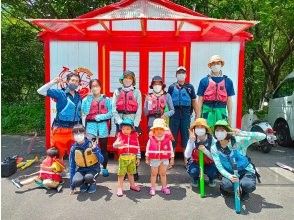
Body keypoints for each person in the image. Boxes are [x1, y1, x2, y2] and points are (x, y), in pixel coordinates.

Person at [210, 120, 266, 201]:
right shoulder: (214, 147)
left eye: (222, 130)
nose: (219, 132)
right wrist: (229, 176)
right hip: (229, 172)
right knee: (227, 185)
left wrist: (241, 133)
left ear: (228, 131)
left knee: (248, 185)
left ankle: (245, 191)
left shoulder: (239, 140)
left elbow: (263, 136)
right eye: (217, 130)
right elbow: (219, 167)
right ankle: (225, 190)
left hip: (245, 170)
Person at [37, 73, 82, 158]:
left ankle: (73, 171)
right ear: (68, 81)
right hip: (60, 129)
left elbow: (79, 114)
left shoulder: (78, 96)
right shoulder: (60, 93)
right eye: (72, 80)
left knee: (75, 156)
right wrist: (53, 82)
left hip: (74, 130)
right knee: (56, 156)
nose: (74, 83)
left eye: (77, 81)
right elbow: (40, 91)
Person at [112, 70, 142, 180]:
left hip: (132, 120)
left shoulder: (137, 92)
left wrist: (136, 123)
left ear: (133, 80)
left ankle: (134, 171)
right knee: (121, 145)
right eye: (126, 78)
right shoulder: (117, 91)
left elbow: (139, 109)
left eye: (130, 78)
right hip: (120, 121)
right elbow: (113, 108)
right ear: (122, 79)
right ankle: (123, 170)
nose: (127, 80)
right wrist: (119, 121)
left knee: (133, 145)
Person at [82, 79, 112, 177]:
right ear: (90, 88)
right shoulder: (86, 99)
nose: (95, 88)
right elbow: (85, 112)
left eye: (97, 86)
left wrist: (101, 117)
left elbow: (111, 113)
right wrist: (89, 100)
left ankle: (104, 167)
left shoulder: (107, 99)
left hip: (103, 126)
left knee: (103, 148)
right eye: (93, 86)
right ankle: (92, 167)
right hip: (91, 126)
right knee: (91, 147)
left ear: (100, 87)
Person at [168, 66, 197, 163]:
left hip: (185, 114)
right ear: (176, 75)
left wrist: (198, 114)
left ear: (186, 75)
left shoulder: (190, 87)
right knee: (172, 136)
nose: (181, 74)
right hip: (174, 114)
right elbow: (168, 102)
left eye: (183, 73)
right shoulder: (171, 87)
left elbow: (194, 101)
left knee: (186, 137)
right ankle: (171, 160)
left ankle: (186, 160)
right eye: (179, 73)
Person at [196, 55, 235, 127]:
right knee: (207, 133)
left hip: (221, 112)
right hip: (207, 112)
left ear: (221, 65)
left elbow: (229, 100)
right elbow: (200, 100)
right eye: (213, 63)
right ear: (210, 66)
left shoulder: (228, 81)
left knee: (221, 133)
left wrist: (230, 116)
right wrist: (198, 117)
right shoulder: (204, 81)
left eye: (218, 63)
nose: (215, 65)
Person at [69, 125, 104, 194]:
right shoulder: (73, 148)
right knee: (75, 181)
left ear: (85, 134)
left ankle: (92, 183)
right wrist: (72, 185)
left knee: (88, 177)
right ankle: (84, 183)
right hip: (81, 169)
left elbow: (102, 160)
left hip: (94, 169)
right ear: (73, 135)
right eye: (76, 134)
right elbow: (72, 166)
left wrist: (95, 150)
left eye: (80, 133)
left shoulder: (92, 145)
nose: (78, 135)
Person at [184, 118, 218, 187]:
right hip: (196, 163)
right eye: (197, 127)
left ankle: (211, 179)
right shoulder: (193, 138)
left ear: (206, 129)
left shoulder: (212, 139)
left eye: (202, 127)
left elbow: (215, 157)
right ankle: (195, 179)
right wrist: (191, 141)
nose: (199, 129)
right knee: (193, 171)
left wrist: (205, 151)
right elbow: (187, 155)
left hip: (209, 163)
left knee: (213, 172)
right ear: (194, 129)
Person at [145, 118, 174, 196]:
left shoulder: (168, 140)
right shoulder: (151, 139)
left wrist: (172, 159)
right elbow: (148, 149)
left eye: (161, 129)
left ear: (164, 130)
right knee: (154, 174)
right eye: (156, 129)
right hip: (154, 159)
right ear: (153, 131)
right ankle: (152, 188)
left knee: (163, 173)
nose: (159, 131)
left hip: (164, 159)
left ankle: (164, 187)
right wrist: (147, 158)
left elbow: (171, 150)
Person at [113, 118, 141, 197]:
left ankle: (132, 185)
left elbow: (138, 147)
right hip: (123, 158)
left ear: (132, 129)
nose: (125, 130)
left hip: (132, 158)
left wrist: (138, 158)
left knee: (131, 173)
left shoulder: (135, 136)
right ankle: (119, 188)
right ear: (121, 129)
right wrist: (117, 144)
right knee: (121, 174)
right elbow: (114, 145)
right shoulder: (120, 136)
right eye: (123, 128)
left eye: (128, 129)